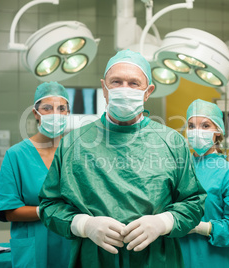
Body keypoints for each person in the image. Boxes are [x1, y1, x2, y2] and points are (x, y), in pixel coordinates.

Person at [38, 49, 206, 267]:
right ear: (104, 88)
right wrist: (84, 224)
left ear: (148, 91)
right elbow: (49, 204)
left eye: (134, 83)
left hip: (156, 259)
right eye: (116, 82)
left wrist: (163, 222)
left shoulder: (172, 142)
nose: (124, 89)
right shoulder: (74, 142)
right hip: (94, 259)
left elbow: (193, 202)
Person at [0, 82, 71, 268]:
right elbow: (8, 211)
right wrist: (44, 211)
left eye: (61, 108)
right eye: (47, 108)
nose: (55, 113)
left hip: (71, 244)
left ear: (67, 113)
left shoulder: (75, 152)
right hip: (34, 249)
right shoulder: (16, 155)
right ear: (36, 114)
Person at [179, 99, 229, 268]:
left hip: (210, 260)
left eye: (205, 126)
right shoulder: (178, 168)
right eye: (191, 126)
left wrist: (201, 227)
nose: (196, 131)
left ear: (218, 131)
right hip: (176, 257)